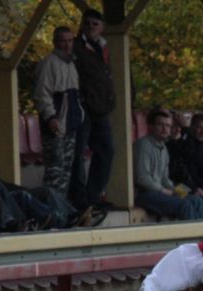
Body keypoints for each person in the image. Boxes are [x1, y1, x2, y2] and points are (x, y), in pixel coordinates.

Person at [0, 118, 79, 229]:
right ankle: (60, 220)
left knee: (45, 191)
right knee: (24, 196)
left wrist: (22, 188)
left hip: (6, 193)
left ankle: (74, 215)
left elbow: (2, 184)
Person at [70, 9, 116, 212]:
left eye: (94, 24)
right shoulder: (77, 48)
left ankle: (93, 195)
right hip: (84, 108)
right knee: (78, 152)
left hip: (101, 109)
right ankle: (79, 199)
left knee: (107, 150)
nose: (90, 27)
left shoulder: (103, 48)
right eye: (86, 23)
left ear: (102, 27)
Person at [134, 109, 203, 220]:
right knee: (184, 205)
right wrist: (164, 191)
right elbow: (142, 178)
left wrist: (178, 191)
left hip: (160, 192)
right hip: (145, 194)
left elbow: (165, 178)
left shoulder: (163, 148)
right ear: (151, 126)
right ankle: (192, 237)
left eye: (168, 126)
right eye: (160, 125)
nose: (165, 129)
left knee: (196, 200)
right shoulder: (143, 145)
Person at [35, 25, 83, 203]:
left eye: (70, 40)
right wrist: (50, 116)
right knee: (54, 170)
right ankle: (48, 207)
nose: (67, 44)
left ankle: (60, 206)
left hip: (71, 123)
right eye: (63, 41)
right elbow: (42, 94)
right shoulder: (48, 64)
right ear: (55, 42)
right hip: (55, 124)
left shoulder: (72, 64)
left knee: (66, 171)